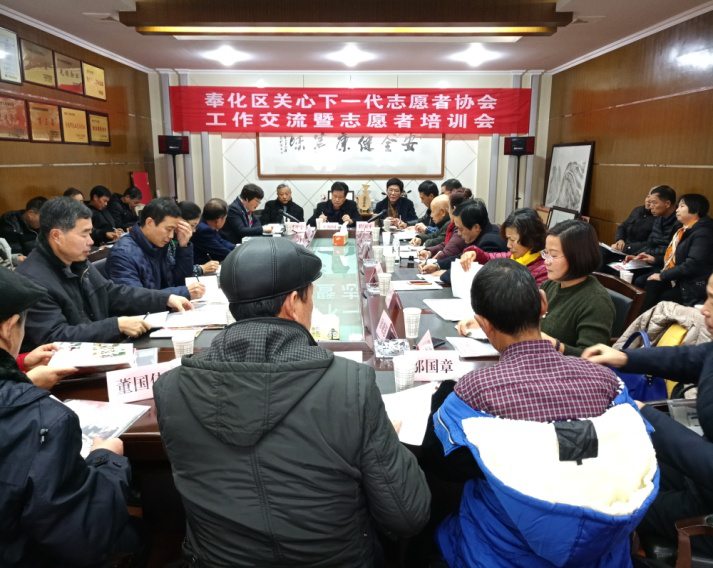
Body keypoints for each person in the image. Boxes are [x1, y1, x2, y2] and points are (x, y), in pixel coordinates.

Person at [154, 238, 431, 567]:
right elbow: (408, 515)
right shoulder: (350, 384)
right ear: (292, 303)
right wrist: (388, 440)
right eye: (311, 295)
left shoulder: (170, 389)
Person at [422, 259, 658, 568]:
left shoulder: (474, 392)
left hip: (500, 552)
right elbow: (624, 448)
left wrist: (441, 395)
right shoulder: (607, 382)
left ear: (483, 323)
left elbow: (443, 465)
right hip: (605, 549)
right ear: (543, 304)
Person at [0, 267, 147, 568]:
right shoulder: (42, 420)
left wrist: (21, 364)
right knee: (139, 534)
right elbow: (85, 535)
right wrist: (106, 459)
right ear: (8, 327)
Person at [583, 273, 713, 557]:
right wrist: (625, 358)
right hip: (697, 478)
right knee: (611, 467)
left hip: (706, 507)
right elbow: (693, 358)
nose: (703, 309)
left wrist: (646, 415)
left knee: (607, 506)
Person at [16, 197, 191, 351]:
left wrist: (165, 299)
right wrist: (115, 326)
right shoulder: (32, 281)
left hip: (99, 350)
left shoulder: (76, 261)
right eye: (84, 234)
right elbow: (54, 337)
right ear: (57, 236)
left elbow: (112, 293)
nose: (91, 241)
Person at [459, 220, 615, 356]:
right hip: (534, 361)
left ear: (578, 256)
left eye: (553, 255)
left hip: (563, 375)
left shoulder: (596, 301)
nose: (546, 261)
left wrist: (555, 344)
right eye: (545, 253)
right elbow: (520, 316)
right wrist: (488, 322)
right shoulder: (551, 284)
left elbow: (593, 360)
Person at [106, 198, 205, 301]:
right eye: (168, 229)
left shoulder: (158, 244)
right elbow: (134, 299)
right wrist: (183, 292)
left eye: (174, 230)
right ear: (149, 223)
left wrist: (184, 246)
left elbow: (178, 281)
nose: (171, 236)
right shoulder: (122, 253)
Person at [634, 194, 713, 312]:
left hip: (693, 285)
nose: (677, 210)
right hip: (681, 278)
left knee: (663, 295)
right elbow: (677, 257)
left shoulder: (703, 233)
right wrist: (655, 259)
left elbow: (693, 264)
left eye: (682, 206)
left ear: (695, 209)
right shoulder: (685, 229)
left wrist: (662, 276)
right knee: (652, 282)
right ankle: (640, 318)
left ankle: (642, 319)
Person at [460, 207, 548, 285]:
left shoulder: (544, 270)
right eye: (507, 239)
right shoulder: (513, 257)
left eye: (512, 240)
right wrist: (474, 253)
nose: (508, 245)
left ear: (530, 238)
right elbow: (488, 258)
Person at [420, 198, 507, 276]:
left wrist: (446, 274)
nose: (458, 233)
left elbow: (476, 274)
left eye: (460, 229)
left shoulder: (490, 243)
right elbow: (461, 258)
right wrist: (437, 265)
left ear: (476, 227)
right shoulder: (481, 234)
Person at [624, 185, 681, 286]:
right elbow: (650, 243)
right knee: (622, 270)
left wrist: (654, 258)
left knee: (640, 281)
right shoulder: (659, 219)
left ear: (667, 203)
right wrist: (636, 256)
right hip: (652, 260)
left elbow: (672, 251)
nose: (650, 206)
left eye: (654, 203)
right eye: (650, 203)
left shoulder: (679, 223)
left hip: (665, 266)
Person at [174, 201, 219, 276]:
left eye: (196, 226)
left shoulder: (181, 240)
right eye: (192, 225)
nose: (194, 230)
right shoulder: (168, 241)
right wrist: (201, 268)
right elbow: (175, 273)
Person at [191, 198, 236, 263]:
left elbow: (220, 241)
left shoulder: (207, 223)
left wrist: (236, 247)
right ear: (218, 221)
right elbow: (222, 252)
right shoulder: (204, 231)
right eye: (225, 218)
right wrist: (238, 254)